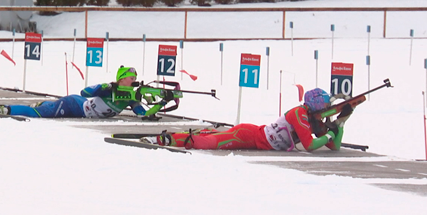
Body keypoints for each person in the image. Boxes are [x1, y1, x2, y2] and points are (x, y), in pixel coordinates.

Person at [147, 88, 353, 151]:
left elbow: (334, 146)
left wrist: (341, 123)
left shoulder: (312, 119)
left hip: (255, 136)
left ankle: (173, 138)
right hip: (250, 136)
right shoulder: (299, 114)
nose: (327, 108)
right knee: (211, 143)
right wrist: (330, 135)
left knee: (214, 136)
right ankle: (166, 140)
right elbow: (310, 145)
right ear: (317, 104)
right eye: (326, 105)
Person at [0, 66, 153, 118]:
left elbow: (141, 113)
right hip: (75, 105)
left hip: (82, 110)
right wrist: (105, 87)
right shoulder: (109, 89)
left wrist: (156, 107)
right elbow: (85, 92)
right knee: (39, 114)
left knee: (48, 108)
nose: (134, 80)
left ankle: (45, 104)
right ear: (122, 79)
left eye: (135, 77)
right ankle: (5, 109)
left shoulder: (131, 97)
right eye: (131, 77)